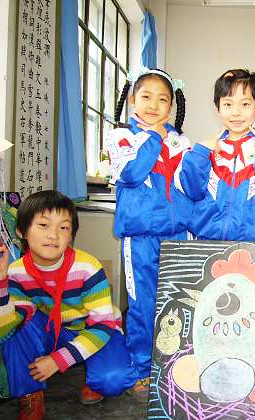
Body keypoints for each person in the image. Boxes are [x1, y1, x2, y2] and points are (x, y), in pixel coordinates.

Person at [0, 190, 138, 420]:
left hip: (94, 330)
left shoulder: (87, 267)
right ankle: (30, 396)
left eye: (63, 227)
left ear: (71, 235)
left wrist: (58, 360)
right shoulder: (16, 272)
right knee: (16, 327)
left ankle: (94, 377)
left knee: (113, 381)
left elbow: (103, 326)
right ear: (22, 231)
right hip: (52, 331)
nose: (53, 235)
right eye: (43, 225)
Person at [106, 67, 192, 400]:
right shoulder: (121, 136)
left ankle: (174, 368)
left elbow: (191, 187)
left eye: (162, 99)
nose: (154, 105)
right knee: (143, 305)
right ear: (132, 99)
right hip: (140, 237)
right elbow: (131, 172)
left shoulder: (180, 141)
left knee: (177, 303)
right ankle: (143, 370)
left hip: (178, 236)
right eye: (146, 97)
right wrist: (155, 137)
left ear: (171, 105)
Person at [178, 69, 255, 242]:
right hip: (208, 244)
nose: (236, 112)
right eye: (228, 104)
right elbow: (192, 191)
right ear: (218, 108)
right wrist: (201, 153)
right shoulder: (204, 150)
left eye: (245, 104)